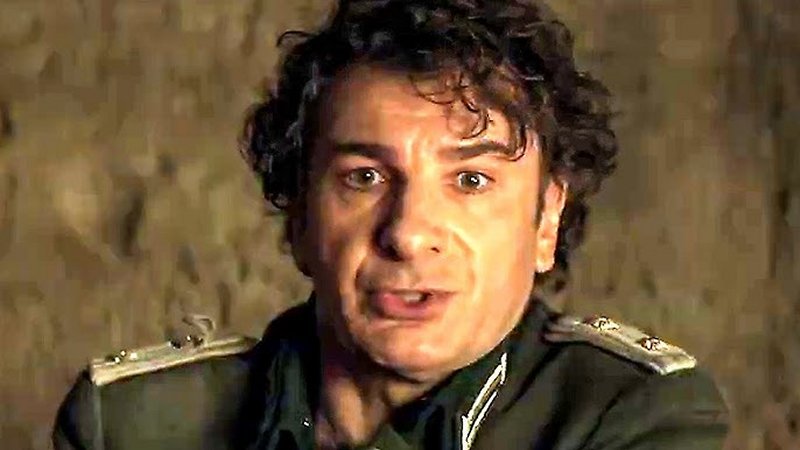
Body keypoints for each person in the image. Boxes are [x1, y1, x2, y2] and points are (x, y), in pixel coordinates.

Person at [53, 0, 729, 449]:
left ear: (545, 218)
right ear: (298, 215)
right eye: (365, 177)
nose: (408, 233)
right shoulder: (134, 426)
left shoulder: (631, 417)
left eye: (471, 180)